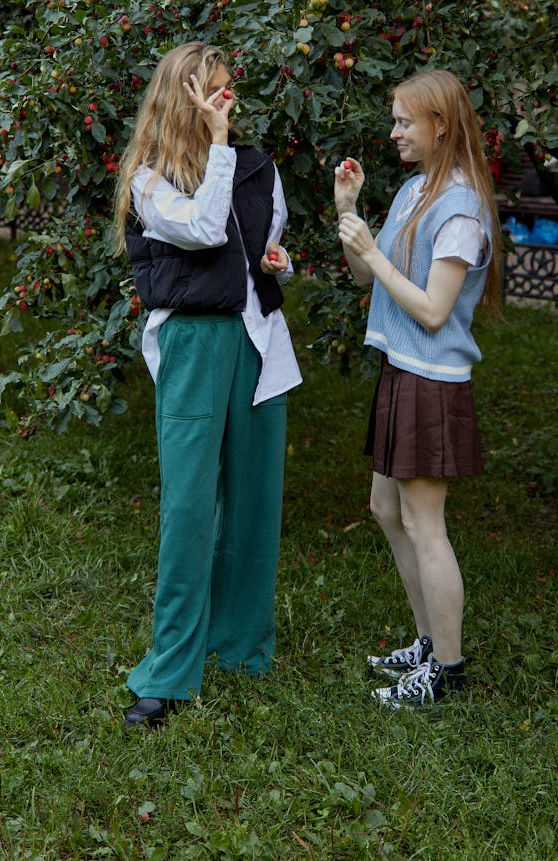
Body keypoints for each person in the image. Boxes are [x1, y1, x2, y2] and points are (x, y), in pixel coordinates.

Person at [113, 41, 302, 730]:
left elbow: (261, 247)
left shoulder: (260, 169)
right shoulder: (148, 177)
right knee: (190, 508)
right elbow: (199, 229)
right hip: (194, 342)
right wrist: (219, 145)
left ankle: (241, 647)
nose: (226, 101)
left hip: (260, 343)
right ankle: (167, 672)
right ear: (182, 95)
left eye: (229, 90)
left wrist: (276, 259)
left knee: (254, 504)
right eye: (212, 91)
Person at [334, 69, 501, 709]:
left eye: (405, 121)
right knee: (386, 510)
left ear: (440, 125)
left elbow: (433, 311)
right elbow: (365, 281)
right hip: (402, 368)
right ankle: (428, 641)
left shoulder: (459, 208)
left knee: (425, 525)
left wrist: (374, 254)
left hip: (433, 380)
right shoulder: (414, 191)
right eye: (396, 120)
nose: (396, 132)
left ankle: (448, 672)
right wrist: (351, 212)